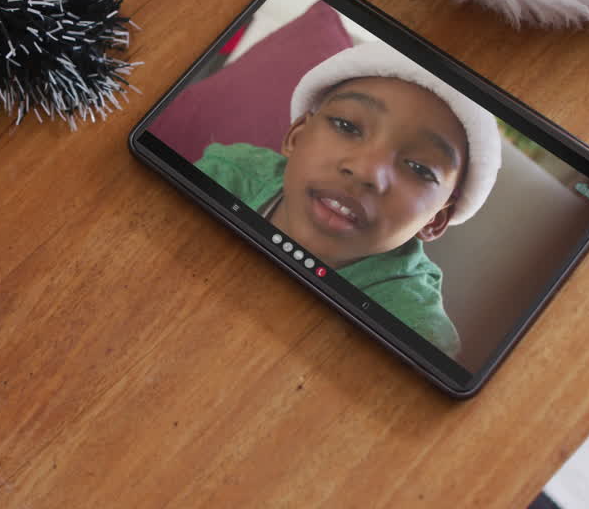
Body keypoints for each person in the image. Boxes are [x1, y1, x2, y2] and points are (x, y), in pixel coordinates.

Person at [195, 42, 502, 357]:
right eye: (347, 126)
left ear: (436, 219)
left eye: (419, 167)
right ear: (296, 136)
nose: (365, 170)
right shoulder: (228, 174)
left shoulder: (414, 334)